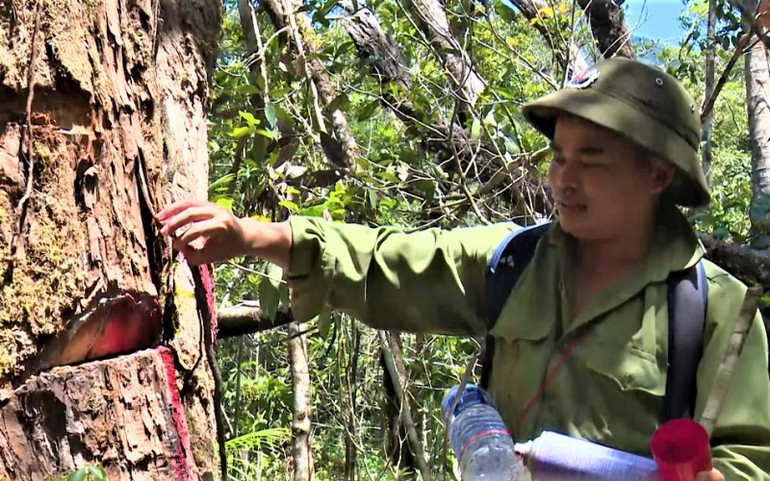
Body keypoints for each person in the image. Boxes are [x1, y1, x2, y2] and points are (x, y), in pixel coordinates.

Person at [158, 58, 770, 480]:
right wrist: (254, 236)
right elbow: (391, 264)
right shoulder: (516, 262)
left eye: (592, 160)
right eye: (558, 156)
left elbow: (753, 457)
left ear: (658, 175)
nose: (563, 178)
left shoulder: (712, 309)